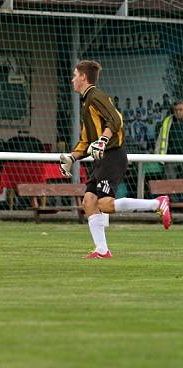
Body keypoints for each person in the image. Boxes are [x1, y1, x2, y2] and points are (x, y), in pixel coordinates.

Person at [59, 60, 171, 259]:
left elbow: (117, 119)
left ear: (84, 77)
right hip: (102, 159)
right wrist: (72, 157)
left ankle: (157, 204)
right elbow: (86, 140)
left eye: (75, 75)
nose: (72, 79)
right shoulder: (87, 103)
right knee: (89, 201)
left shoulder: (96, 96)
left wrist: (103, 139)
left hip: (112, 156)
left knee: (105, 204)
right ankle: (102, 250)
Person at [155, 99, 183, 179]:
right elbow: (160, 139)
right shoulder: (167, 121)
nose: (178, 112)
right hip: (170, 159)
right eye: (176, 110)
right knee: (170, 184)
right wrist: (158, 155)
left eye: (181, 110)